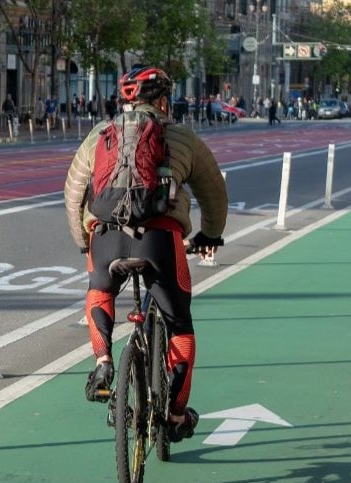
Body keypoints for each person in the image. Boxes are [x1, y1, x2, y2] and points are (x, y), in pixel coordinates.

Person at [63, 65, 228, 443]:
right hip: (160, 242)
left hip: (106, 237)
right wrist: (210, 234)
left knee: (99, 291)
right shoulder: (183, 137)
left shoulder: (99, 136)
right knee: (180, 326)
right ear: (164, 101)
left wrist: (84, 242)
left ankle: (104, 363)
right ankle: (173, 415)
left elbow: (73, 194)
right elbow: (214, 194)